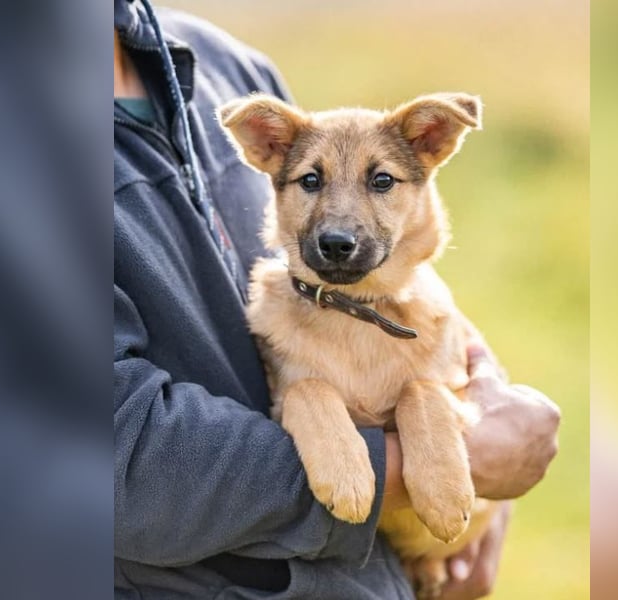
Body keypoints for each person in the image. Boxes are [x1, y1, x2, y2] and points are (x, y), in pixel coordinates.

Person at [113, 0, 561, 598]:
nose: (339, 226)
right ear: (264, 148)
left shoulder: (225, 62)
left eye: (381, 183)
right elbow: (119, 467)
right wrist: (462, 458)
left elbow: (462, 372)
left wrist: (476, 453)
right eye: (312, 182)